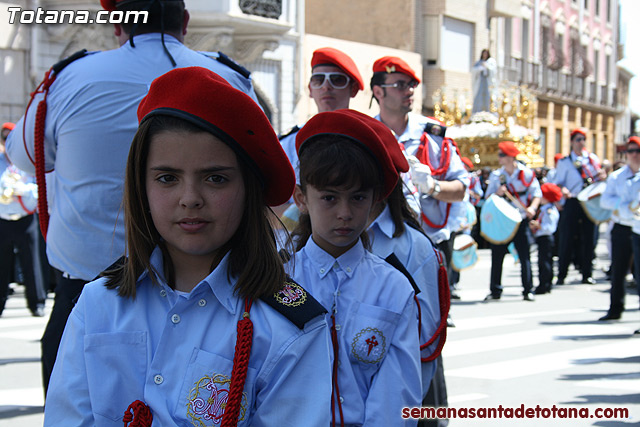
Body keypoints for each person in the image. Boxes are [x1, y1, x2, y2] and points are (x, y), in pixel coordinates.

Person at [44, 67, 332, 426]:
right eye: (167, 178)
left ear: (248, 188)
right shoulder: (99, 304)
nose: (190, 198)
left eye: (215, 178)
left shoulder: (288, 328)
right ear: (141, 187)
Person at [6, 0, 258, 394]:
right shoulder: (226, 76)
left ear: (117, 25)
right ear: (185, 22)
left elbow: (22, 154)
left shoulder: (71, 77)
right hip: (208, 295)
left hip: (87, 283)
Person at [289, 110, 421, 426]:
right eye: (329, 198)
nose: (345, 213)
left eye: (358, 197)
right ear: (301, 198)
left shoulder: (393, 288)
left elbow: (397, 395)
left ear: (376, 201)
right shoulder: (277, 279)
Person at [371, 56, 466, 426]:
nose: (408, 92)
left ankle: (433, 420)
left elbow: (461, 189)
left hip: (428, 248)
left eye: (411, 85)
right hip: (379, 245)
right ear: (378, 91)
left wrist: (433, 186)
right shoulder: (365, 132)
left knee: (428, 335)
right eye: (399, 85)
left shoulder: (435, 136)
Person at [357, 110, 446, 408]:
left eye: (357, 190)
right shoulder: (306, 243)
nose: (343, 208)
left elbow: (422, 344)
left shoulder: (412, 247)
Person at [278, 47, 364, 221]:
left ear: (353, 89)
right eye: (318, 80)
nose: (326, 86)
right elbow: (268, 205)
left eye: (337, 80)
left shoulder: (368, 140)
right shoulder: (287, 144)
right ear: (310, 89)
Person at [484, 141, 541, 301]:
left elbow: (537, 193)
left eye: (502, 155)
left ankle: (528, 289)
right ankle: (495, 290)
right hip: (503, 220)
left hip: (520, 219)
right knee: (497, 256)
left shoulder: (527, 174)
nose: (499, 158)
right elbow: (488, 198)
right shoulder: (497, 176)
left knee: (524, 256)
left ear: (510, 157)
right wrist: (497, 193)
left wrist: (533, 208)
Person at [0, 122, 46, 317]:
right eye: (4, 138)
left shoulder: (28, 162)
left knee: (31, 263)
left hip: (25, 218)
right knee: (2, 265)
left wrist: (23, 190)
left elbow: (40, 188)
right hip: (3, 218)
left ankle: (37, 303)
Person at [551, 128, 605, 285]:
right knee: (567, 237)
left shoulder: (592, 159)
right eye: (578, 139)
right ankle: (562, 274)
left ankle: (587, 273)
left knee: (590, 238)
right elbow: (558, 183)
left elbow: (598, 177)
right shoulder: (564, 162)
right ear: (572, 142)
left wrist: (601, 176)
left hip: (589, 201)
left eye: (583, 139)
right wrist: (563, 190)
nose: (581, 143)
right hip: (573, 201)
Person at [598, 136, 640, 321]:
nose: (634, 155)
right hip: (622, 227)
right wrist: (624, 207)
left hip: (639, 228)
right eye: (631, 151)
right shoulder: (617, 177)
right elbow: (605, 200)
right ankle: (615, 308)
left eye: (638, 151)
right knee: (618, 270)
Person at [530, 183, 562, 295]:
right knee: (543, 261)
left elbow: (549, 227)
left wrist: (538, 226)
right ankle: (544, 283)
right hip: (542, 238)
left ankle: (545, 284)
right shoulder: (545, 209)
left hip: (546, 238)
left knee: (545, 262)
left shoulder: (549, 210)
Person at [471, 49, 497, 114]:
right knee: (479, 98)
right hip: (480, 84)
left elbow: (494, 71)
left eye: (486, 53)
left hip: (487, 83)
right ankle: (477, 113)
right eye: (484, 53)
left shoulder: (491, 61)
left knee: (489, 98)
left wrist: (487, 67)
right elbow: (474, 70)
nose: (485, 55)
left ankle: (489, 113)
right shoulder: (479, 62)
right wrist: (479, 68)